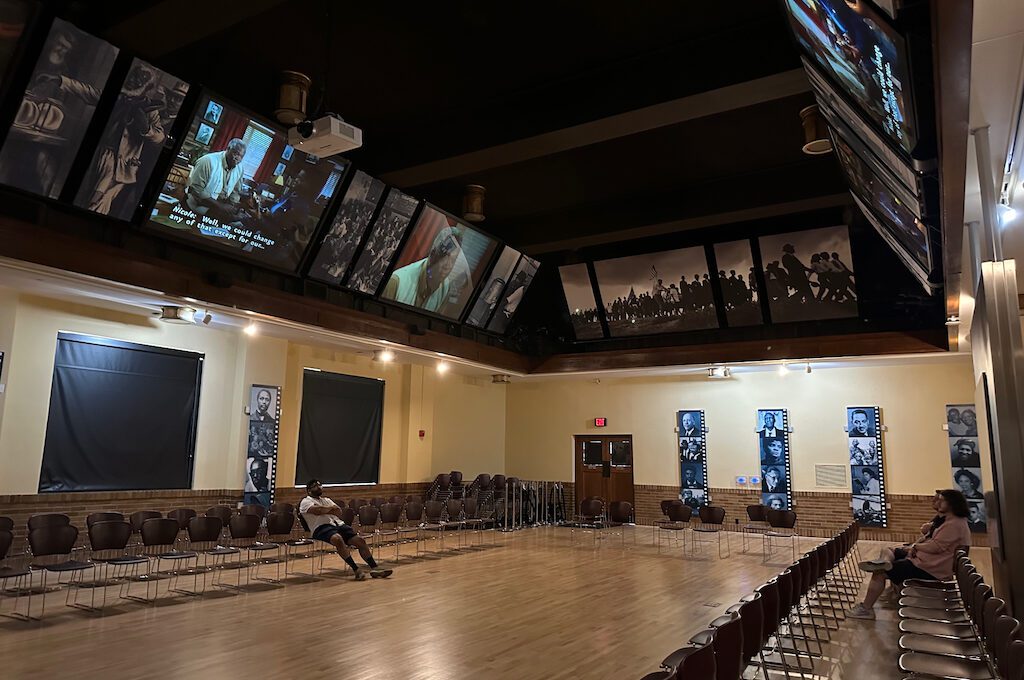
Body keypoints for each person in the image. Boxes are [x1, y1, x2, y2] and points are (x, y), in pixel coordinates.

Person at [848, 489, 971, 619]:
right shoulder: (949, 520)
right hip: (926, 562)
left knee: (880, 572)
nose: (936, 502)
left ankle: (866, 609)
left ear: (952, 504)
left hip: (930, 569)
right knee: (889, 551)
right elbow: (933, 539)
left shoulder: (954, 524)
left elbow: (935, 547)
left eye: (941, 500)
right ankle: (886, 567)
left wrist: (915, 546)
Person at [299, 479, 392, 580]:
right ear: (309, 490)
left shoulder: (326, 500)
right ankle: (356, 569)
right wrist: (329, 509)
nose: (319, 487)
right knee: (337, 539)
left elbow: (338, 512)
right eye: (315, 486)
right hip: (321, 528)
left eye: (320, 485)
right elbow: (318, 511)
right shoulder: (306, 501)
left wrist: (326, 509)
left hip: (338, 525)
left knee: (360, 541)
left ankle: (375, 568)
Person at [382, 226, 464, 313]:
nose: (448, 265)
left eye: (453, 260)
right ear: (433, 254)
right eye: (445, 257)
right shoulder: (396, 283)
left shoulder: (445, 287)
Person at [185, 138, 248, 220]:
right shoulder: (207, 161)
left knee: (241, 219)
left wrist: (232, 205)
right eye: (235, 153)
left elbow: (236, 191)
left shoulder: (240, 169)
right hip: (199, 204)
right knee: (228, 219)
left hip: (220, 206)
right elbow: (197, 190)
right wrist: (221, 206)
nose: (237, 158)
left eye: (241, 156)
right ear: (228, 149)